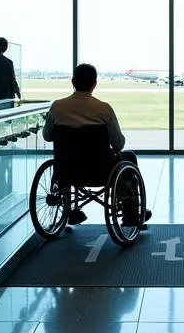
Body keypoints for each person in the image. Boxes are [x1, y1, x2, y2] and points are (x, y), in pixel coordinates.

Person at [43, 63, 151, 227]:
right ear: (94, 84)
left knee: (65, 157)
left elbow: (47, 136)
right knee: (129, 157)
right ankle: (130, 211)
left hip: (66, 170)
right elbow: (119, 144)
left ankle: (69, 208)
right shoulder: (103, 109)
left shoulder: (57, 107)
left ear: (73, 81)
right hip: (99, 171)